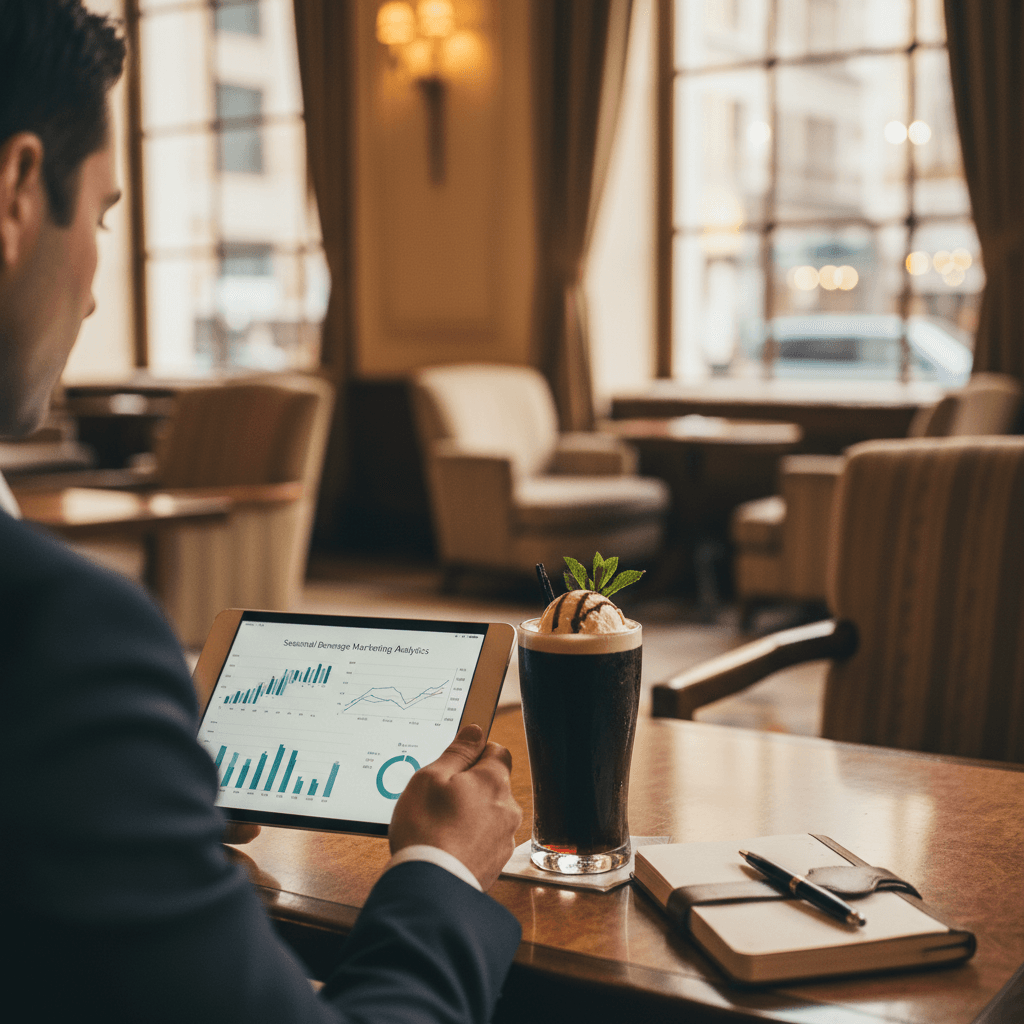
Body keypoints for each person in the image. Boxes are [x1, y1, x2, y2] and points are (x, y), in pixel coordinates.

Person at [0, 2, 522, 1021]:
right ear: (19, 190)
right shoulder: (58, 643)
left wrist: (143, 845)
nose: (97, 292)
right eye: (103, 217)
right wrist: (441, 875)